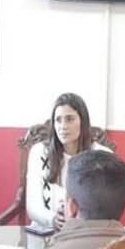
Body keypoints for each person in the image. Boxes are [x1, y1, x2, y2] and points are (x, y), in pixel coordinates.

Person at [26, 93, 111, 231]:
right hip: (46, 231)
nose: (63, 126)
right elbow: (32, 205)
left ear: (83, 121)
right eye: (58, 120)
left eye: (69, 119)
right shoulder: (39, 152)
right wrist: (52, 218)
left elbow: (106, 206)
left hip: (85, 232)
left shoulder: (102, 155)